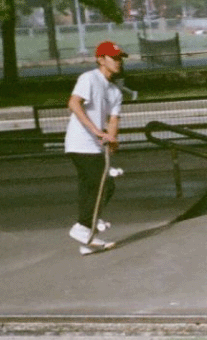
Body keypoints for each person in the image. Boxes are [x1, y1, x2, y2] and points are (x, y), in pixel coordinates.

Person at [63, 40, 126, 249]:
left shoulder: (115, 91)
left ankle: (86, 240)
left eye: (120, 58)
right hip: (80, 142)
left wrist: (112, 138)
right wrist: (96, 131)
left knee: (90, 188)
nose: (118, 62)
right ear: (101, 59)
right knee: (105, 185)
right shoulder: (89, 78)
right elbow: (73, 103)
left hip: (95, 146)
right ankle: (83, 225)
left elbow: (114, 119)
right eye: (114, 58)